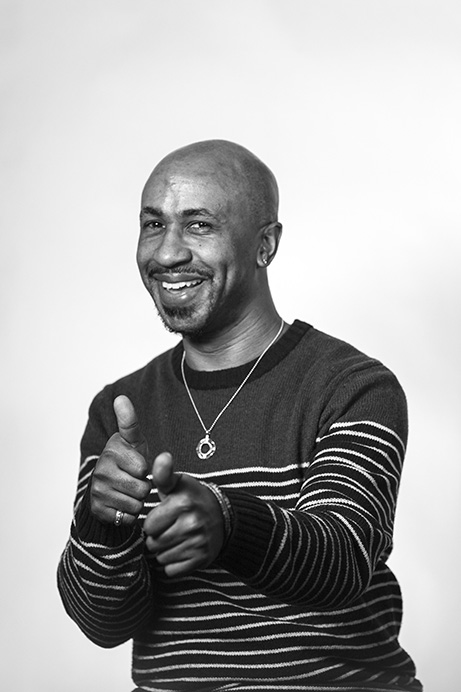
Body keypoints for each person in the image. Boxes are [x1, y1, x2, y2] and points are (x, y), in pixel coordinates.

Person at [57, 140, 422, 692]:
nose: (167, 253)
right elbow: (103, 624)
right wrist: (101, 523)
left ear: (265, 245)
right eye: (153, 225)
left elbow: (344, 562)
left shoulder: (352, 386)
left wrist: (228, 523)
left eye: (198, 225)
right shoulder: (120, 408)